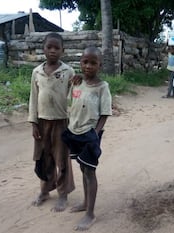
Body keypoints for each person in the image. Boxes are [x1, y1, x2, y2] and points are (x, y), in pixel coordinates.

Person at [61, 47, 112, 231]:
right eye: (85, 62)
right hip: (74, 131)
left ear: (100, 65)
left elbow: (105, 113)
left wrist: (96, 134)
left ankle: (90, 214)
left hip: (90, 134)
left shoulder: (102, 87)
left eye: (93, 62)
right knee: (83, 168)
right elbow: (71, 105)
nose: (88, 66)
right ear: (80, 63)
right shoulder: (77, 83)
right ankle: (84, 202)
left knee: (90, 172)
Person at [28, 32, 75, 212]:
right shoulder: (37, 72)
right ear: (44, 49)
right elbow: (33, 98)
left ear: (63, 50)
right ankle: (45, 190)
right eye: (49, 47)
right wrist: (33, 122)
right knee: (43, 158)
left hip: (61, 122)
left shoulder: (68, 71)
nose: (53, 51)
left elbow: (74, 97)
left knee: (61, 159)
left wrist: (74, 121)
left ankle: (63, 194)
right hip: (41, 122)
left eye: (57, 48)